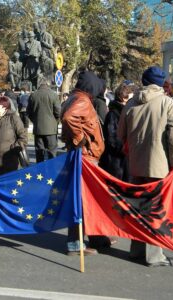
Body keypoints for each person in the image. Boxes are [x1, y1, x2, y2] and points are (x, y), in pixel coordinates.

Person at [118, 66, 173, 267]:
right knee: (155, 209)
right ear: (161, 82)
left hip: (135, 164)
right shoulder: (168, 103)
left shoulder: (130, 103)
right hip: (160, 165)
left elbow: (121, 134)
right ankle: (153, 256)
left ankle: (136, 251)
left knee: (138, 208)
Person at [61, 70, 106, 256]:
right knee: (81, 201)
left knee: (81, 200)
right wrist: (80, 138)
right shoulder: (82, 101)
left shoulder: (75, 97)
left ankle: (86, 239)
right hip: (85, 159)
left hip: (83, 157)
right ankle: (75, 244)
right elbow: (69, 117)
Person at [99, 83, 131, 181]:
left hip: (123, 159)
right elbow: (111, 137)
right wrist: (124, 149)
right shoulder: (113, 114)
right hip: (116, 160)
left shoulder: (125, 112)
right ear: (123, 98)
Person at [27, 78, 60, 162]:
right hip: (51, 129)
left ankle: (40, 172)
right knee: (52, 153)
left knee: (39, 154)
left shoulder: (33, 95)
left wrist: (35, 121)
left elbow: (29, 112)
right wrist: (55, 122)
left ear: (39, 85)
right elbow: (58, 112)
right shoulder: (53, 95)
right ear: (48, 84)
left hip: (38, 128)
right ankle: (52, 172)